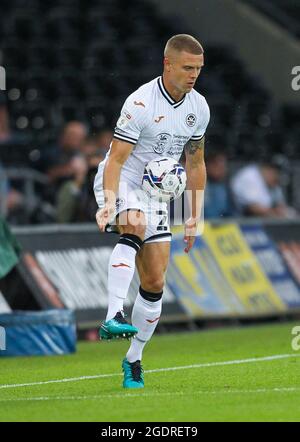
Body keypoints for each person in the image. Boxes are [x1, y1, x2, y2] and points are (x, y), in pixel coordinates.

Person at [94, 34, 210, 389]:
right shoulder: (141, 103)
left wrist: (194, 214)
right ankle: (114, 313)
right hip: (123, 180)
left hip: (156, 194)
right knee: (135, 224)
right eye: (188, 67)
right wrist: (110, 203)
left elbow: (196, 162)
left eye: (199, 69)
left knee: (155, 281)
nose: (193, 75)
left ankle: (134, 358)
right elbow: (116, 159)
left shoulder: (199, 107)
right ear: (168, 64)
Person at [230, 159, 297, 218]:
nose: (278, 177)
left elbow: (281, 206)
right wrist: (279, 216)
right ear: (268, 169)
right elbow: (254, 208)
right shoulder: (249, 176)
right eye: (277, 172)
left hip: (260, 224)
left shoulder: (272, 182)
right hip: (240, 223)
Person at [204, 150, 233, 218]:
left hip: (223, 225)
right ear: (207, 165)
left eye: (224, 165)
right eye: (217, 165)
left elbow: (230, 212)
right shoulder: (195, 185)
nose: (221, 169)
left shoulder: (226, 187)